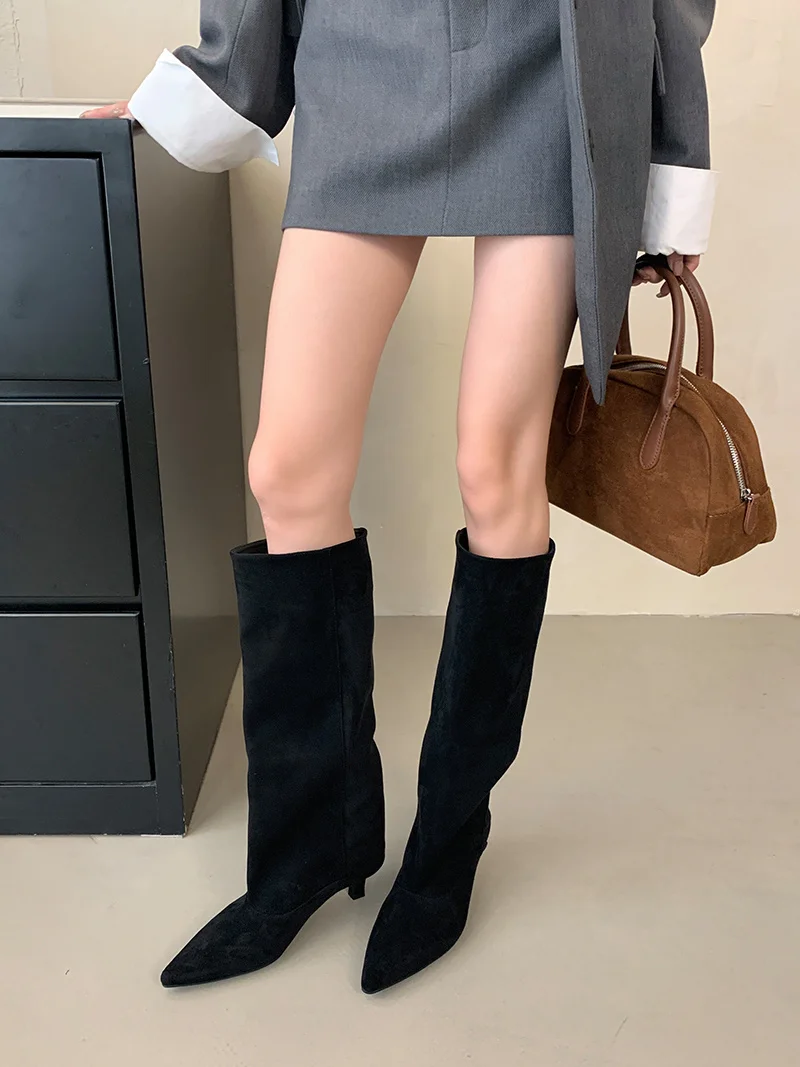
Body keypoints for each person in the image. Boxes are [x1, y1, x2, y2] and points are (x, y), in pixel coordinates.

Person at [83, 0, 718, 994]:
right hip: (362, 54)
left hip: (547, 63)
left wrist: (672, 150)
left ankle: (446, 845)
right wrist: (206, 83)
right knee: (288, 469)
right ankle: (309, 847)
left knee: (496, 465)